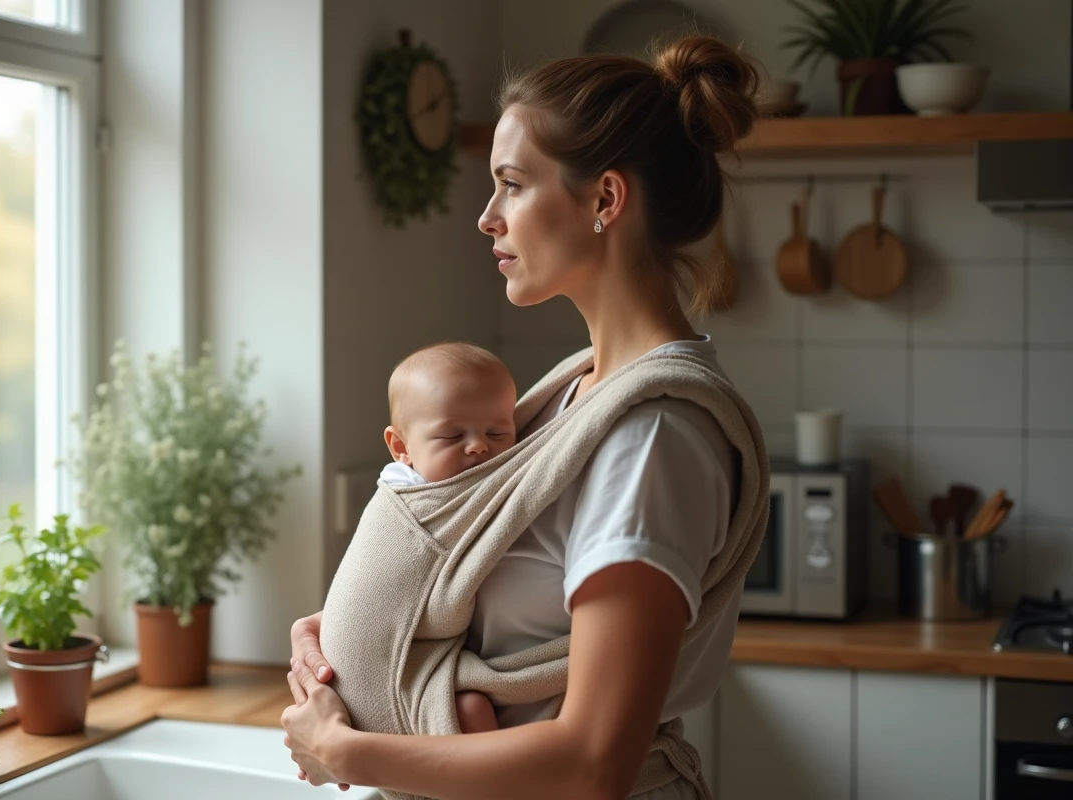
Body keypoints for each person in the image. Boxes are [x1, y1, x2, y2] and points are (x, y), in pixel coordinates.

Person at [282, 34, 762, 799]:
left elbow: (594, 761)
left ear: (605, 199)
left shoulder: (653, 435)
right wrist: (351, 635)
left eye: (511, 184)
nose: (487, 218)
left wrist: (348, 753)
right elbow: (509, 616)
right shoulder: (578, 395)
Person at [379, 340, 517, 734]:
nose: (478, 446)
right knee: (470, 709)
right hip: (395, 657)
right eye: (451, 437)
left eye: (498, 432)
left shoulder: (494, 485)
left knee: (471, 705)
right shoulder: (406, 495)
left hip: (437, 656)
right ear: (402, 448)